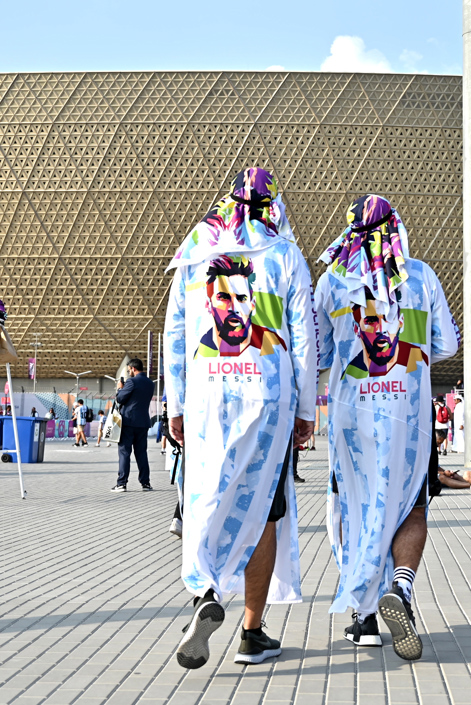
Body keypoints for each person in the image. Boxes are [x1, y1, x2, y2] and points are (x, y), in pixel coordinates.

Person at [164, 168, 317, 669]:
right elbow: (303, 339)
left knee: (206, 495)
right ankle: (252, 631)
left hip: (208, 396)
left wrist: (176, 403)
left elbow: (175, 334)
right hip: (267, 397)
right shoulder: (286, 255)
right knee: (263, 510)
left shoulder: (196, 251)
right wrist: (305, 407)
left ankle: (204, 591)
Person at [316, 193, 459, 661]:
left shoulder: (333, 281)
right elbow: (446, 345)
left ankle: (365, 618)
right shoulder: (420, 275)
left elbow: (317, 356)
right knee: (410, 506)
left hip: (351, 421)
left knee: (355, 509)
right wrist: (408, 366)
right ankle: (401, 588)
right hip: (410, 420)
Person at [114, 359, 154, 492]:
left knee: (125, 452)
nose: (128, 372)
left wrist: (120, 388)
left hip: (129, 422)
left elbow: (120, 398)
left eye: (128, 370)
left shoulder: (131, 381)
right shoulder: (150, 383)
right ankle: (145, 483)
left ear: (132, 368)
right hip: (143, 423)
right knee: (141, 453)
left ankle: (121, 483)